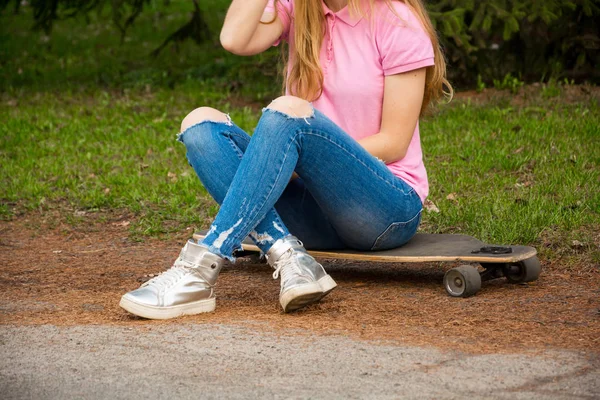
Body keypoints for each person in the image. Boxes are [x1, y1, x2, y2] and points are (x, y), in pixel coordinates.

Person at [119, 0, 452, 319]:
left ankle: (198, 268)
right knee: (200, 125)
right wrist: (287, 164)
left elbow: (393, 143)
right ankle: (290, 255)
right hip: (311, 210)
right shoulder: (298, 9)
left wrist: (293, 162)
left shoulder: (397, 21)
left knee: (288, 112)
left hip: (383, 209)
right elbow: (234, 39)